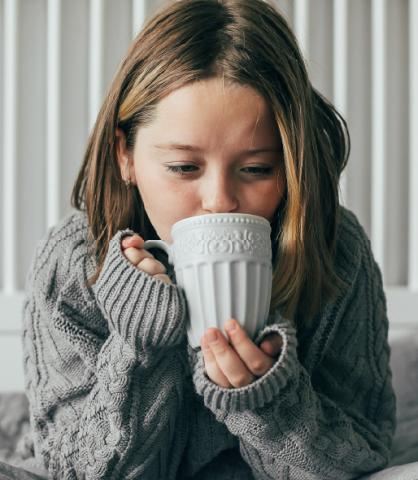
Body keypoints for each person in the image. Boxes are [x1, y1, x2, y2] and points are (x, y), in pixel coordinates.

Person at [20, 0, 396, 478]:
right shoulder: (73, 262)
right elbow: (72, 470)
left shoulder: (335, 251)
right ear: (125, 155)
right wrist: (138, 346)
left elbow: (363, 452)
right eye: (183, 168)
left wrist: (269, 405)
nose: (219, 200)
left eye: (257, 169)